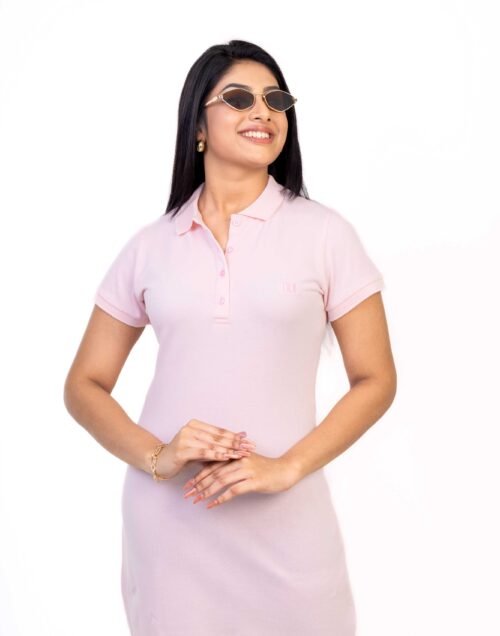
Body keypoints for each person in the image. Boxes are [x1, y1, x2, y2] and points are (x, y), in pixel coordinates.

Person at [63, 39, 397, 635]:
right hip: (171, 529)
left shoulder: (325, 235)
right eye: (239, 98)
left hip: (288, 523)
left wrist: (287, 468)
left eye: (276, 100)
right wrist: (156, 457)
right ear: (198, 125)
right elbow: (84, 385)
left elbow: (376, 380)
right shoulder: (151, 246)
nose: (263, 112)